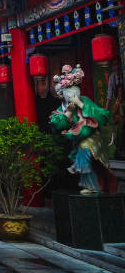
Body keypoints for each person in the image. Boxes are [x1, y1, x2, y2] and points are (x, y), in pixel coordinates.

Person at [49, 64, 117, 194]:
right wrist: (68, 113)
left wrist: (81, 104)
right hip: (76, 140)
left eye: (74, 94)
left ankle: (91, 184)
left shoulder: (84, 100)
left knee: (84, 150)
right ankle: (92, 186)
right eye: (65, 94)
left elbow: (103, 115)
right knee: (83, 154)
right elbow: (57, 129)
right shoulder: (59, 111)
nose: (71, 97)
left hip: (91, 137)